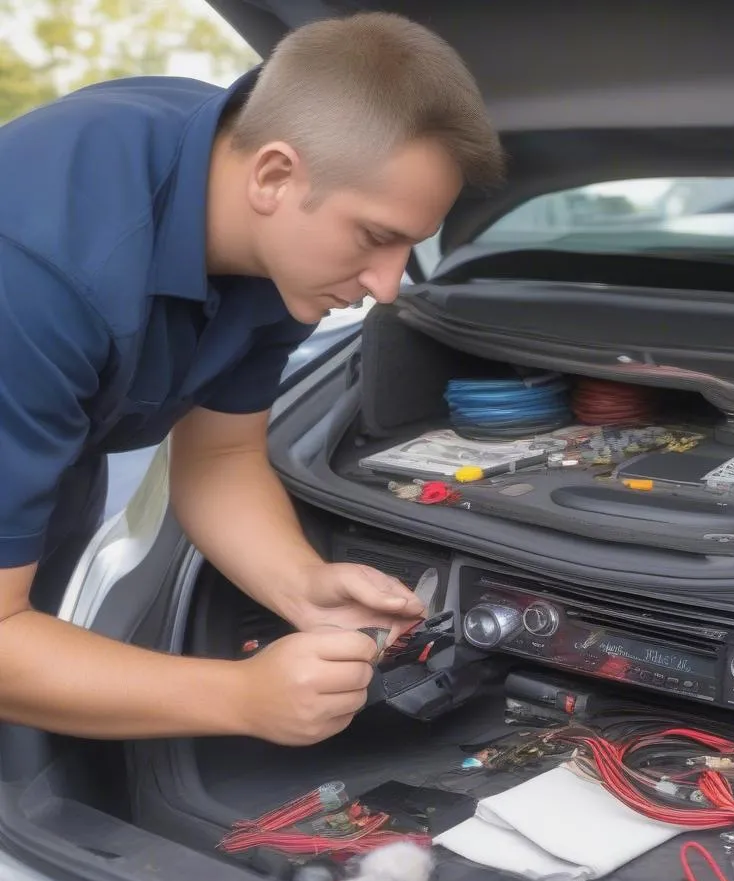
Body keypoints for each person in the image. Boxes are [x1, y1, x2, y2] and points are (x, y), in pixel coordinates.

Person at [0, 14, 504, 746]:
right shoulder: (40, 272)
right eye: (374, 237)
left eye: (408, 247)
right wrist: (242, 698)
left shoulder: (279, 239)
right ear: (272, 175)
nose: (389, 287)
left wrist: (303, 585)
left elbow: (219, 457)